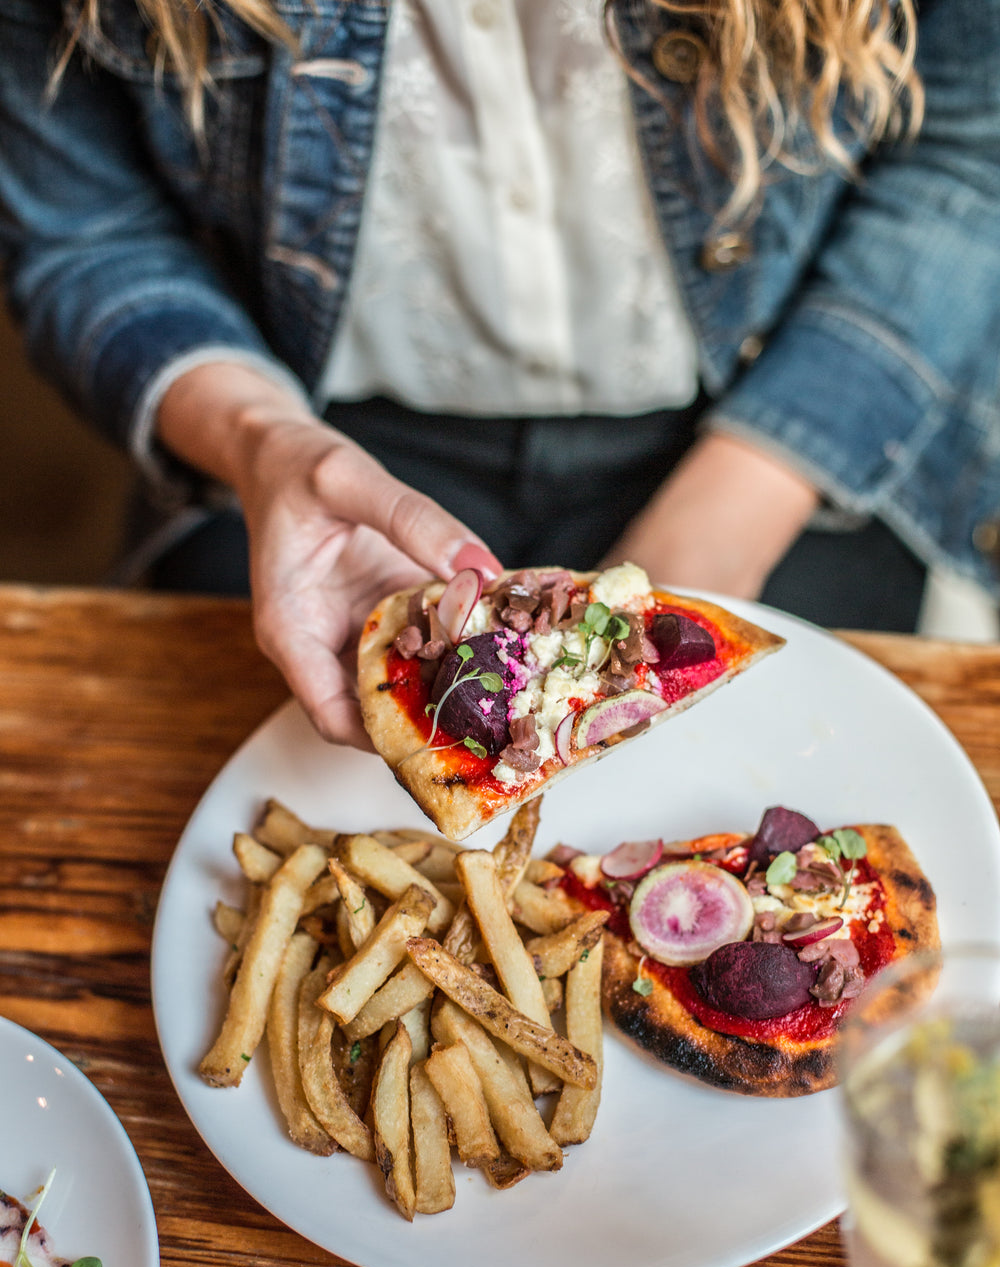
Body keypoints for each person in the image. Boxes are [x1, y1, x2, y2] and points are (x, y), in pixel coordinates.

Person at [1, 0, 999, 751]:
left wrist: (736, 508)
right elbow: (82, 235)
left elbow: (970, 152)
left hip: (779, 416)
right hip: (324, 446)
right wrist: (260, 442)